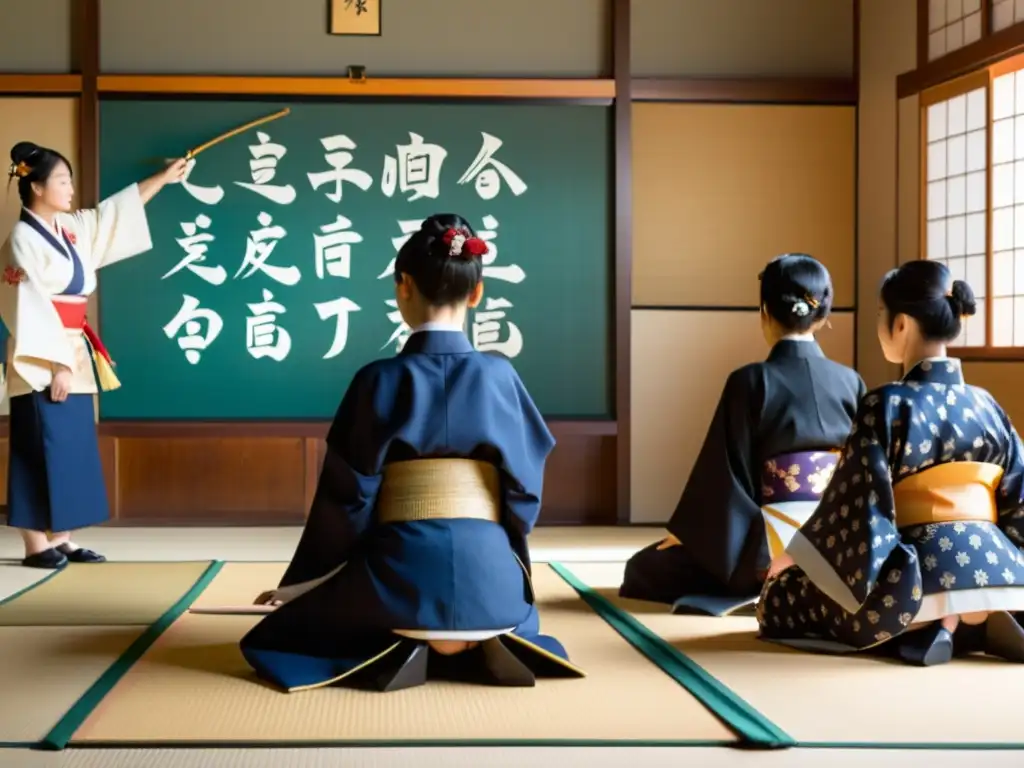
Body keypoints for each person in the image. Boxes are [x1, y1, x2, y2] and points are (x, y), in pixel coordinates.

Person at [240, 214, 585, 693]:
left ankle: (412, 635)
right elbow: (522, 499)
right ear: (477, 292)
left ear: (403, 287)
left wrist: (305, 584)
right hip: (494, 591)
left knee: (279, 634)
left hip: (397, 588)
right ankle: (476, 636)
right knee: (502, 596)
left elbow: (346, 504)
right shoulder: (502, 376)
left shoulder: (376, 380)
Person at [758, 260, 1024, 666]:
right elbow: (1018, 502)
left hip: (917, 577)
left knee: (780, 598)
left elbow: (859, 509)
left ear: (900, 325)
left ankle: (928, 623)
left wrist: (795, 555)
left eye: (882, 315)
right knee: (982, 581)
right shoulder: (987, 404)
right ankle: (979, 617)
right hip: (998, 567)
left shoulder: (886, 404)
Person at [620, 254, 864, 616]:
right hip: (834, 545)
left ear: (764, 311)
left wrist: (692, 533)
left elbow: (725, 474)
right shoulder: (851, 382)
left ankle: (769, 574)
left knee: (642, 568)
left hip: (763, 547)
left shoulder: (750, 381)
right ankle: (811, 574)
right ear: (823, 316)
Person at [1, 142, 187, 569]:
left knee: (70, 445)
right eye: (62, 181)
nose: (70, 189)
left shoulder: (68, 228)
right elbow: (27, 306)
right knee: (35, 442)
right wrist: (57, 364)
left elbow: (111, 214)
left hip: (72, 348)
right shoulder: (21, 240)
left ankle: (62, 538)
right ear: (36, 186)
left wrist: (163, 178)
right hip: (41, 356)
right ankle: (35, 544)